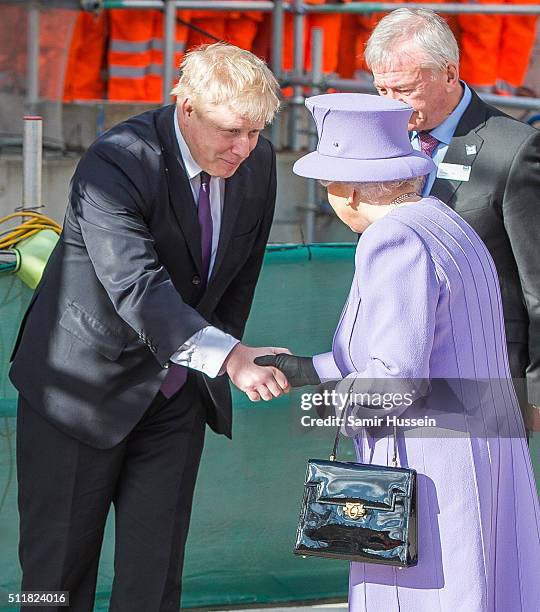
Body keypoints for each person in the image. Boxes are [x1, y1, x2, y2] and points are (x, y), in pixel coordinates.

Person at [10, 43, 290, 612]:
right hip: (78, 392)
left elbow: (238, 278)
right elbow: (135, 287)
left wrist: (210, 362)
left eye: (256, 131)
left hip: (176, 395)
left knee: (156, 574)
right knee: (52, 577)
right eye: (232, 131)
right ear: (185, 107)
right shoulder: (115, 160)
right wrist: (229, 357)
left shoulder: (255, 163)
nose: (245, 148)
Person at [257, 93, 540, 610]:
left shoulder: (393, 237)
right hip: (486, 448)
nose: (327, 197)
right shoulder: (446, 221)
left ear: (349, 189)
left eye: (328, 184)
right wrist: (308, 370)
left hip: (430, 462)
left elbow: (397, 380)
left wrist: (323, 407)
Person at [364, 8, 540, 430]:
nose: (390, 105)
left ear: (448, 73)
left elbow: (537, 285)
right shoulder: (379, 136)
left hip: (484, 375)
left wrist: (536, 391)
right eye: (381, 89)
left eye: (404, 90)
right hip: (394, 365)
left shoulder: (514, 150)